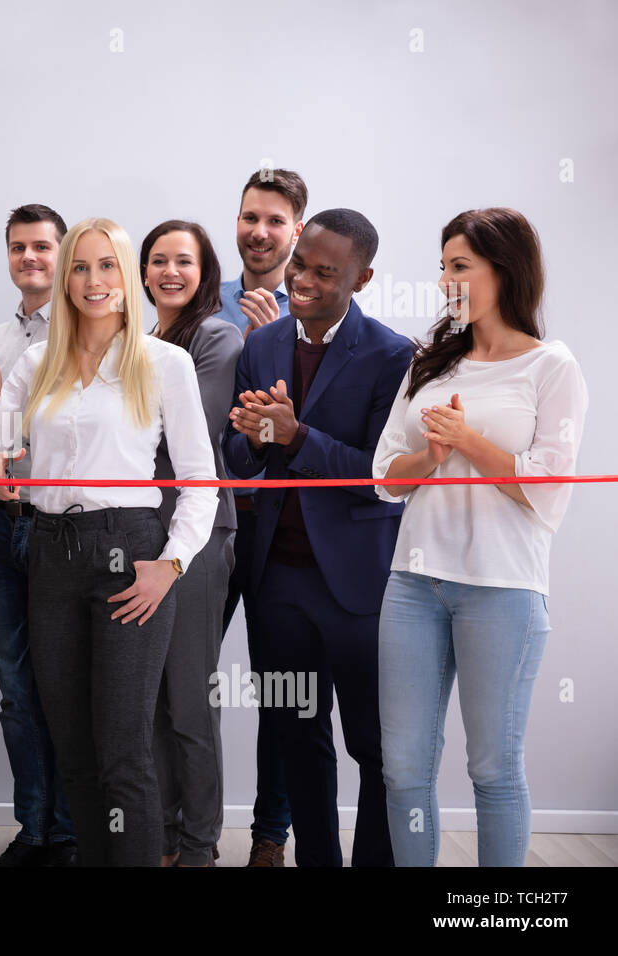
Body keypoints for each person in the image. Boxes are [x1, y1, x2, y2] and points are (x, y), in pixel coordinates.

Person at [0, 217, 218, 867]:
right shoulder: (38, 360)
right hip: (49, 552)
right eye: (80, 267)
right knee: (73, 750)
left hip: (127, 552)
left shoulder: (165, 363)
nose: (93, 280)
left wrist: (172, 563)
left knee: (123, 751)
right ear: (66, 277)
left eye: (107, 266)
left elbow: (200, 481)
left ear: (128, 279)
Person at [374, 208, 588, 866]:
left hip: (502, 588)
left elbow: (549, 488)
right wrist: (433, 459)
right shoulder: (431, 363)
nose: (444, 280)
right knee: (402, 769)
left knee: (494, 768)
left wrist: (468, 440)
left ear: (506, 269)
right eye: (442, 266)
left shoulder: (552, 367)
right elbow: (387, 476)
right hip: (413, 583)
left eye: (459, 266)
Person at [224, 208, 412, 867]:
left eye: (323, 272)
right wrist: (251, 440)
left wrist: (295, 437)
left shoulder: (395, 356)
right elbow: (238, 461)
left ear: (361, 278)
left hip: (359, 586)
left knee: (375, 746)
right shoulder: (262, 345)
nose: (300, 278)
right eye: (299, 263)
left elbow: (383, 477)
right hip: (276, 581)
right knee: (297, 737)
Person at [0, 204, 77, 867]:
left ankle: (73, 834)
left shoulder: (90, 334)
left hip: (60, 528)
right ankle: (37, 833)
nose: (29, 257)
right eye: (18, 247)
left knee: (65, 684)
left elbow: (74, 437)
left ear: (64, 254)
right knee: (15, 690)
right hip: (0, 528)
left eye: (41, 247)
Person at [140, 220, 242, 867]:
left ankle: (199, 846)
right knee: (148, 698)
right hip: (143, 531)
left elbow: (187, 429)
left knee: (188, 698)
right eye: (158, 260)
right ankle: (165, 838)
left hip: (197, 534)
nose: (170, 271)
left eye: (184, 260)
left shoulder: (216, 337)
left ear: (204, 271)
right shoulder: (141, 339)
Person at [216, 168, 308, 866]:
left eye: (274, 220)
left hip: (283, 530)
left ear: (296, 230)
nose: (259, 231)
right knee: (180, 676)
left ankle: (270, 835)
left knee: (282, 687)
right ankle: (184, 827)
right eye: (250, 217)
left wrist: (283, 340)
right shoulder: (198, 298)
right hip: (209, 522)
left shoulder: (314, 312)